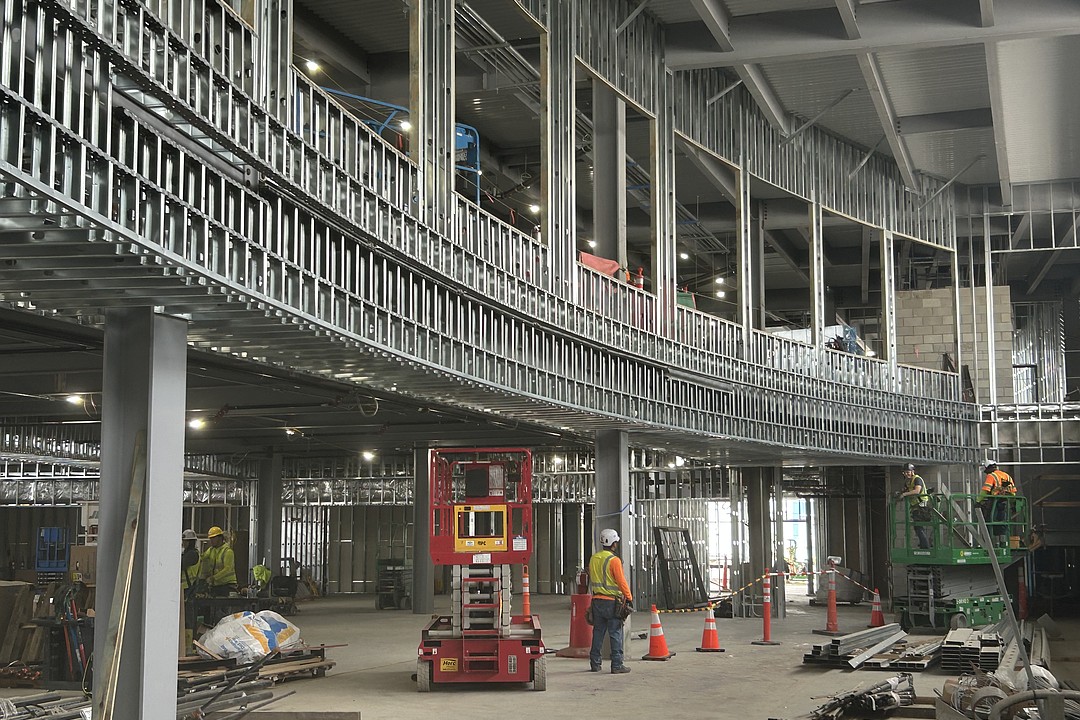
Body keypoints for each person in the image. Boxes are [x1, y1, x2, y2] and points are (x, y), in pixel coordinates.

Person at [588, 528, 633, 674]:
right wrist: (629, 598)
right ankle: (617, 664)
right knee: (615, 633)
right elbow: (621, 581)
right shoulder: (614, 560)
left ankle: (595, 663)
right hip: (612, 603)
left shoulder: (594, 558)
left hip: (596, 601)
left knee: (598, 632)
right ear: (614, 543)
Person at [978, 462, 1017, 546]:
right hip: (1004, 503)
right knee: (1002, 522)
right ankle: (1003, 543)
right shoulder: (1007, 476)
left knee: (990, 521)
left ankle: (993, 544)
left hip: (994, 503)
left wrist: (978, 501)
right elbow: (1013, 493)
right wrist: (1013, 504)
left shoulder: (991, 476)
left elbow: (985, 490)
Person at [897, 464, 932, 549]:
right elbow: (906, 489)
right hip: (915, 507)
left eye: (907, 472)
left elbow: (917, 491)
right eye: (904, 472)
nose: (906, 474)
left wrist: (904, 494)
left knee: (918, 526)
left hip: (921, 506)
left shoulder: (917, 479)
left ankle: (925, 546)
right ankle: (924, 544)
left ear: (912, 472)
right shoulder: (908, 481)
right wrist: (900, 493)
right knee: (918, 526)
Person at [200, 526, 237, 596]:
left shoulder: (228, 551)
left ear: (220, 538)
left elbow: (227, 569)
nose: (211, 540)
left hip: (228, 585)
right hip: (216, 585)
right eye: (210, 538)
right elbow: (202, 558)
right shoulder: (211, 550)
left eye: (213, 538)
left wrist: (213, 578)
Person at [180, 529, 201, 595]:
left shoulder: (192, 554)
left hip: (187, 587)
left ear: (191, 542)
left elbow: (180, 566)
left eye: (185, 541)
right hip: (185, 586)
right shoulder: (187, 553)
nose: (183, 543)